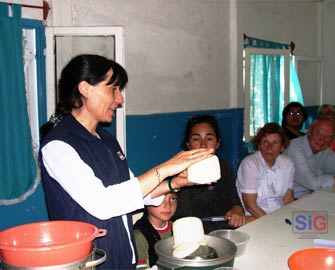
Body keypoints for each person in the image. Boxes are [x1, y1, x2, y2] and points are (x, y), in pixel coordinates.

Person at [38, 54, 214, 269]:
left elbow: (136, 191)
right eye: (113, 89)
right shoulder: (58, 146)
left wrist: (174, 183)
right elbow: (102, 203)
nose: (120, 99)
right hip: (91, 262)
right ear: (85, 88)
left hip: (121, 255)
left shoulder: (107, 140)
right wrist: (165, 168)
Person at [173, 115, 248, 233]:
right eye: (196, 139)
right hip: (193, 232)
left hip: (225, 228)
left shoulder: (224, 167)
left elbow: (234, 200)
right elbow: (184, 216)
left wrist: (237, 210)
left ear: (217, 143)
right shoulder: (180, 172)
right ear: (188, 145)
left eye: (209, 139)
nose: (203, 145)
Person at [284, 116, 335, 199]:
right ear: (309, 131)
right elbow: (312, 183)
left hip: (311, 198)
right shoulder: (295, 148)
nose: (322, 140)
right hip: (288, 201)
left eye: (327, 137)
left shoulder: (324, 151)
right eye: (318, 134)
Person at [236, 122, 294, 218]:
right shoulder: (250, 164)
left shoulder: (288, 164)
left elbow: (288, 199)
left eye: (275, 143)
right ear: (259, 145)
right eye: (265, 142)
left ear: (282, 147)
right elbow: (250, 205)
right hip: (254, 217)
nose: (269, 147)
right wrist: (271, 222)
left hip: (279, 214)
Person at [134, 192, 178, 269]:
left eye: (173, 199)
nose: (168, 206)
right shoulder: (139, 236)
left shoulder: (179, 227)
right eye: (159, 199)